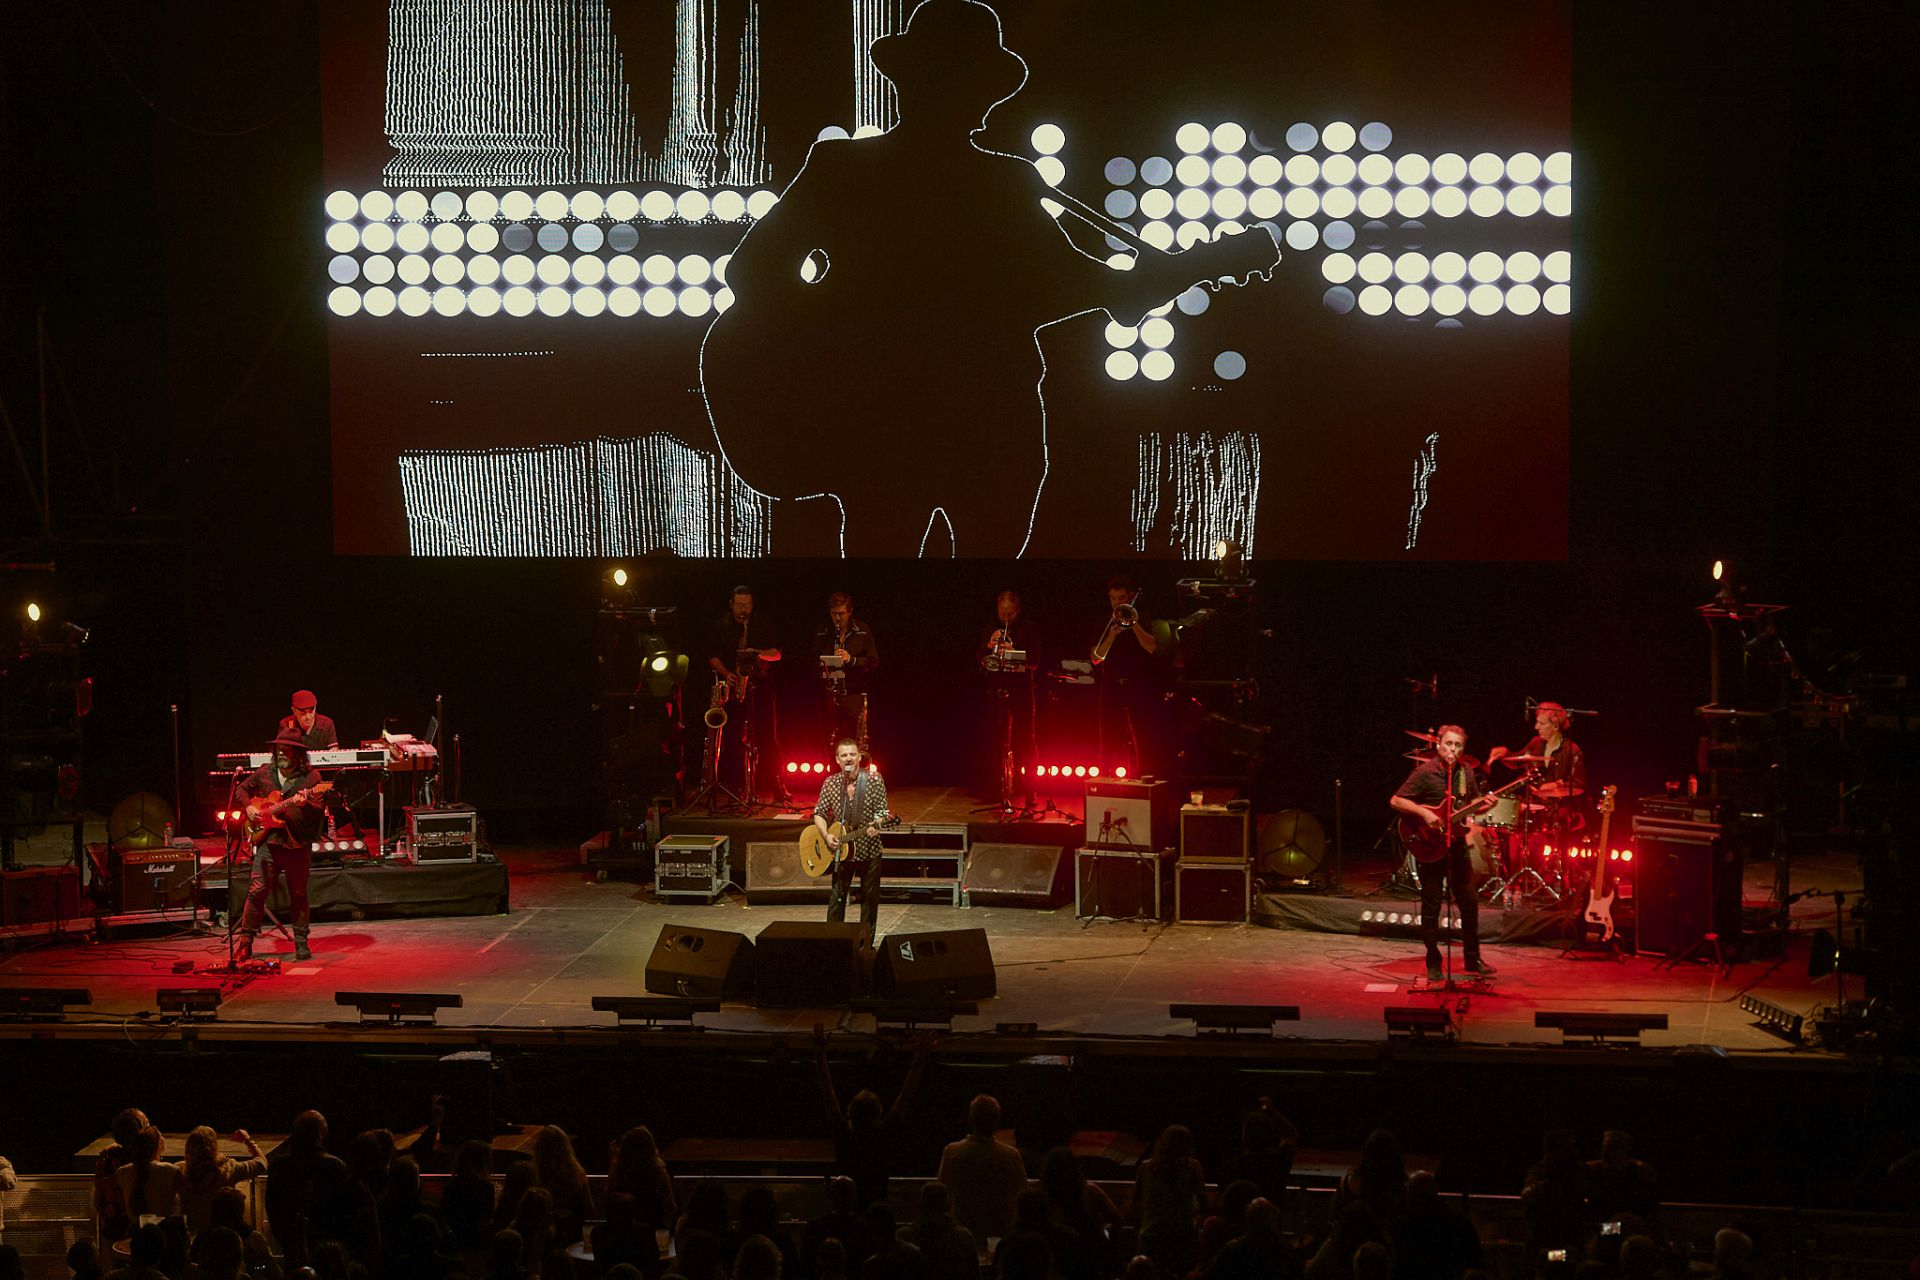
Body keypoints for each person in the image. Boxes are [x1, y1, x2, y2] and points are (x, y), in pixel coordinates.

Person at [699, 0, 1279, 558]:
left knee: (883, 571)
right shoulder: (1002, 183)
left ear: (907, 82)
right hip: (989, 424)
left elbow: (749, 269)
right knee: (988, 578)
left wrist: (835, 329)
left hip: (880, 428)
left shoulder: (845, 168)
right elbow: (1089, 288)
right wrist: (1193, 268)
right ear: (974, 89)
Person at [1390, 726, 1496, 982]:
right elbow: (1396, 800)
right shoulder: (1425, 772)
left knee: (1469, 903)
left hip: (1456, 844)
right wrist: (1425, 813)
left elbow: (1469, 806)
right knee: (1432, 906)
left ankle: (1473, 958)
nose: (1453, 749)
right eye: (1449, 744)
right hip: (1430, 845)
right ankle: (1433, 962)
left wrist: (1485, 805)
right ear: (1439, 745)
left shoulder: (1466, 772)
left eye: (1458, 745)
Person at [815, 1024, 933, 1211]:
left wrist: (820, 1054)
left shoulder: (845, 1137)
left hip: (849, 1208)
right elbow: (906, 1095)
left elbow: (827, 1095)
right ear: (879, 1114)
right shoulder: (882, 1136)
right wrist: (920, 1056)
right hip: (877, 1209)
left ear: (850, 1115)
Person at [235, 729, 326, 961]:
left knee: (299, 894)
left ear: (298, 754)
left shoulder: (312, 778)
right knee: (257, 892)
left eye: (287, 750)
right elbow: (241, 789)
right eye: (279, 749)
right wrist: (248, 807)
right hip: (269, 842)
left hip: (297, 843)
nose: (282, 753)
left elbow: (318, 812)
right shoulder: (265, 772)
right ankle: (245, 942)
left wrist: (305, 804)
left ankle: (301, 942)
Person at [708, 585, 790, 805]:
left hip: (761, 687)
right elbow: (712, 657)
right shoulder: (721, 625)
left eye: (747, 605)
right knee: (733, 738)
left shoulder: (763, 623)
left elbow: (777, 654)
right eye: (739, 605)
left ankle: (776, 784)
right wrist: (727, 674)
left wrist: (757, 654)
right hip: (734, 686)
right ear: (731, 604)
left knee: (768, 737)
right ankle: (736, 786)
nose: (743, 610)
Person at [813, 739, 892, 948]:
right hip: (841, 851)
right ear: (837, 759)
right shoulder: (831, 782)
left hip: (869, 848)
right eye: (844, 755)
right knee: (837, 898)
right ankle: (833, 944)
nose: (848, 758)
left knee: (869, 900)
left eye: (852, 754)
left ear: (859, 757)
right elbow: (819, 813)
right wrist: (826, 835)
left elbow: (883, 811)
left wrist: (877, 824)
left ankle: (865, 947)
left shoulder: (874, 779)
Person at [1090, 578, 1161, 778]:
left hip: (1138, 684)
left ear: (1130, 597)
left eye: (1121, 598)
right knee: (1108, 735)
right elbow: (1095, 658)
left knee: (1141, 735)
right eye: (1113, 598)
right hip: (1111, 684)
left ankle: (1143, 778)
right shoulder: (1103, 622)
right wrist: (1111, 635)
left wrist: (1134, 625)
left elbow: (1152, 648)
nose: (1116, 603)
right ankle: (1105, 779)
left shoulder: (1143, 619)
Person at [935, 1094, 1027, 1245]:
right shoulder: (1010, 1156)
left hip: (963, 1234)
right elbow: (1022, 1191)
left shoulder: (952, 1152)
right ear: (996, 1122)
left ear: (971, 1119)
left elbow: (943, 1188)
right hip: (1000, 1235)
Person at [979, 591, 1042, 805]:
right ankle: (999, 788)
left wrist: (1014, 651)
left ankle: (1031, 790)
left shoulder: (1029, 629)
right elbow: (981, 660)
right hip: (996, 688)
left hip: (1021, 690)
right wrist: (989, 646)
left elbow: (1035, 661)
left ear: (1017, 611)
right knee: (997, 740)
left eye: (1009, 613)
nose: (1005, 617)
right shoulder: (991, 629)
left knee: (1025, 739)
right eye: (1002, 613)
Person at [1488, 702, 1588, 833]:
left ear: (1555, 725)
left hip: (1558, 810)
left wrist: (1555, 785)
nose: (1536, 727)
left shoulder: (1572, 750)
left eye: (1541, 723)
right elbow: (1517, 763)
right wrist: (1505, 754)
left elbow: (1578, 785)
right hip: (1533, 807)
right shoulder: (1535, 743)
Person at [1127, 1125, 1207, 1279]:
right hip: (1181, 1236)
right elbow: (1204, 1203)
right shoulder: (1192, 1167)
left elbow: (1134, 1204)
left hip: (1150, 1235)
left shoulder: (1146, 1167)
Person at [814, 593, 880, 761]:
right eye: (834, 614)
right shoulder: (822, 631)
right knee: (829, 742)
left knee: (855, 743)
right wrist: (824, 663)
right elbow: (811, 660)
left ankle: (856, 774)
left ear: (850, 611)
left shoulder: (862, 631)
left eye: (841, 614)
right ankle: (832, 774)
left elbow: (873, 662)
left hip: (853, 695)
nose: (837, 618)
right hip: (830, 695)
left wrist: (851, 659)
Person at [175, 1127, 267, 1235]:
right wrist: (248, 1141)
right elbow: (262, 1163)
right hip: (223, 1236)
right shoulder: (229, 1169)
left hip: (193, 1237)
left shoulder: (178, 1171)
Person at [896, 1183, 980, 1280]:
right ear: (947, 1204)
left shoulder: (903, 1237)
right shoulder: (964, 1236)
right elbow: (974, 1274)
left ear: (921, 1204)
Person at [114, 1126, 182, 1224]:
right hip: (163, 1228)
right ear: (158, 1145)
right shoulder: (170, 1171)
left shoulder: (122, 1172)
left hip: (135, 1228)